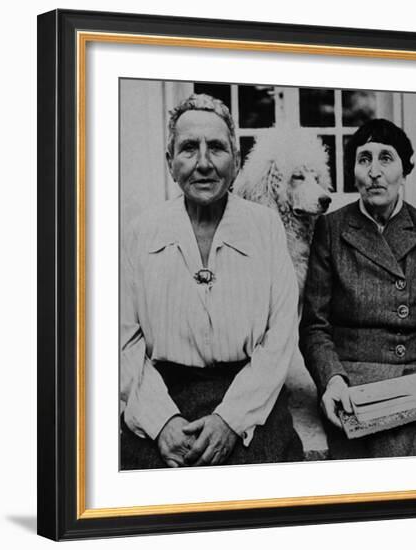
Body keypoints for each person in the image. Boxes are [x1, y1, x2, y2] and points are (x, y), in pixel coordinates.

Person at [120, 94, 303, 468]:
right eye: (189, 148)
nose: (203, 163)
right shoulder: (141, 232)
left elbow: (280, 336)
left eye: (216, 148)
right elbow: (124, 341)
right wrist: (162, 422)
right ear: (170, 163)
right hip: (165, 396)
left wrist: (230, 420)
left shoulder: (264, 227)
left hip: (250, 398)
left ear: (235, 162)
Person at [300, 118, 416, 458]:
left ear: (405, 170)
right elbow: (314, 327)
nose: (374, 171)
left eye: (385, 158)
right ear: (353, 171)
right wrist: (333, 380)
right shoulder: (331, 229)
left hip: (415, 380)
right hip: (351, 383)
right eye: (364, 159)